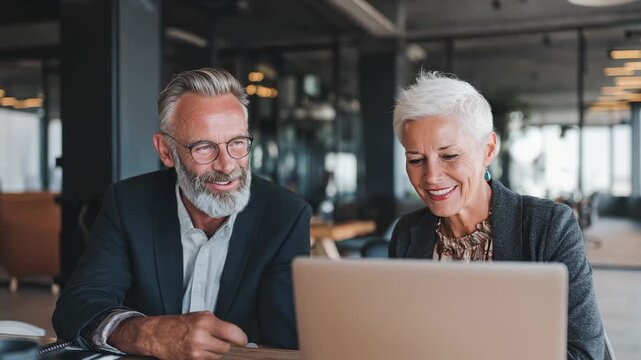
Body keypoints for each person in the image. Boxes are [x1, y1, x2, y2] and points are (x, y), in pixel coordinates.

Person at [53, 68, 311, 359]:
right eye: (204, 147)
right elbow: (77, 306)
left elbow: (285, 341)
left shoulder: (286, 215)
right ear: (166, 151)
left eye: (237, 143)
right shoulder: (128, 203)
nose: (227, 165)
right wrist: (145, 333)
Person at [389, 71, 604, 359]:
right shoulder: (408, 233)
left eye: (449, 155)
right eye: (416, 159)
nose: (431, 177)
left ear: (488, 149)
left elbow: (584, 354)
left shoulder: (549, 226)